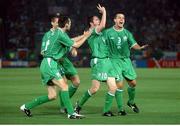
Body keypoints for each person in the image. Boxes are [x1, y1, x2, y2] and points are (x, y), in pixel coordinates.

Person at [20, 15, 91, 119]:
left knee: (52, 96)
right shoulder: (60, 34)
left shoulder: (55, 33)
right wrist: (86, 36)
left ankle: (26, 106)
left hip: (48, 63)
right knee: (64, 86)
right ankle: (71, 113)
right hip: (50, 63)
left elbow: (68, 42)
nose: (71, 24)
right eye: (70, 23)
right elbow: (76, 45)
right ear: (66, 24)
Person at [74, 4, 118, 117]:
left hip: (107, 62)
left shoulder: (99, 33)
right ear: (91, 23)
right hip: (99, 62)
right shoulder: (92, 31)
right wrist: (104, 12)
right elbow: (103, 25)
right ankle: (78, 106)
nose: (98, 21)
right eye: (96, 19)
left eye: (98, 19)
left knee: (113, 87)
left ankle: (106, 111)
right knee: (94, 89)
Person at [106, 13, 148, 113]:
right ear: (114, 20)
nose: (122, 19)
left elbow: (134, 44)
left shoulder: (127, 33)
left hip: (126, 61)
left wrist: (140, 48)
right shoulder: (108, 32)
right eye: (119, 18)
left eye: (123, 18)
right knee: (119, 85)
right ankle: (121, 109)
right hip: (114, 61)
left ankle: (131, 101)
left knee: (133, 83)